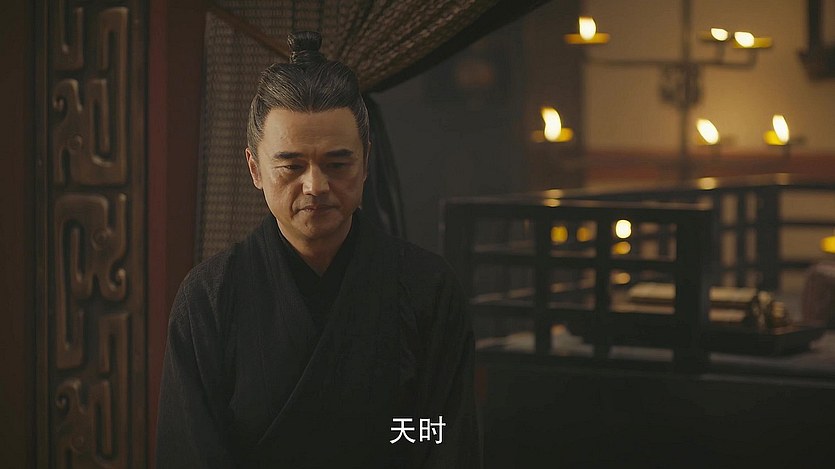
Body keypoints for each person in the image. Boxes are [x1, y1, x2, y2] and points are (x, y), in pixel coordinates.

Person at [155, 31, 481, 468]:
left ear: (365, 161)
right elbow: (190, 449)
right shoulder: (209, 298)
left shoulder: (428, 289)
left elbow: (444, 431)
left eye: (337, 163)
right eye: (291, 166)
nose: (315, 185)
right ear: (255, 168)